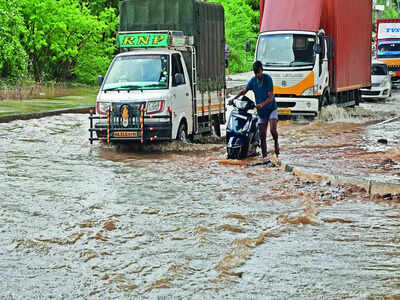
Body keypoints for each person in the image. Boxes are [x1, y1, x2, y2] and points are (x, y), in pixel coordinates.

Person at [229, 60, 279, 160]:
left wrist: (262, 104)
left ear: (262, 70)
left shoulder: (268, 79)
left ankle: (276, 142)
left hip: (271, 109)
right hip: (261, 112)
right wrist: (233, 99)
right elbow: (244, 91)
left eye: (259, 72)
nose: (258, 75)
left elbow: (270, 97)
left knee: (273, 130)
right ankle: (264, 157)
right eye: (256, 73)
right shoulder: (253, 81)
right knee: (262, 135)